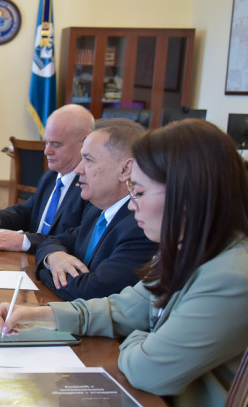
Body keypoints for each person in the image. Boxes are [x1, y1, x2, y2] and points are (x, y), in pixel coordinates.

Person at [0, 119, 248, 407]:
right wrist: (38, 315)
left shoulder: (231, 278)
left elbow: (147, 369)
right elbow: (123, 307)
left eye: (138, 192)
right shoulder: (193, 245)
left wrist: (143, 335)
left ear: (185, 195)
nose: (130, 205)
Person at [34, 118, 157, 300]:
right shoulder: (97, 210)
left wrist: (48, 270)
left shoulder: (140, 226)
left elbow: (91, 291)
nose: (78, 169)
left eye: (88, 160)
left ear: (125, 169)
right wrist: (54, 256)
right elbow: (53, 241)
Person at [0, 104, 94, 253]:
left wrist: (25, 241)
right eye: (46, 142)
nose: (46, 151)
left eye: (56, 145)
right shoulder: (51, 175)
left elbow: (78, 239)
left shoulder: (91, 187)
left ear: (83, 143)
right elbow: (28, 211)